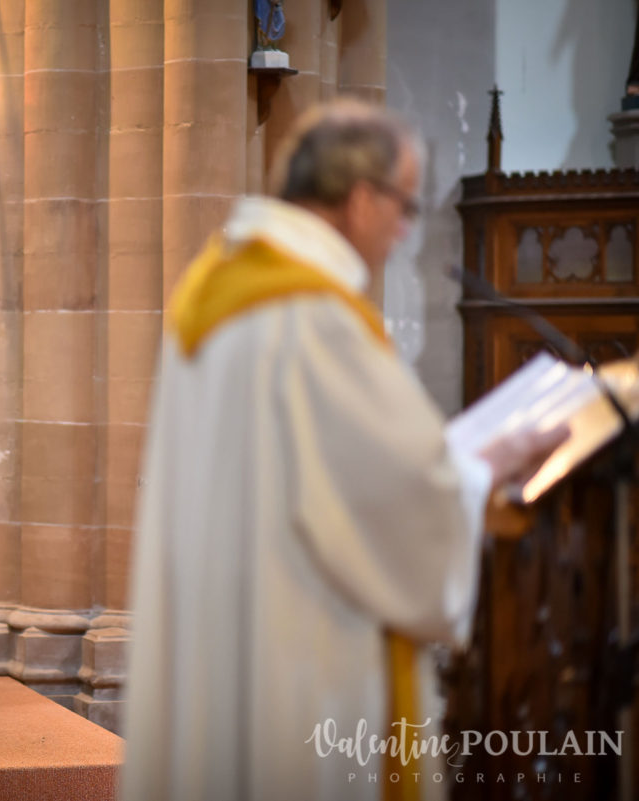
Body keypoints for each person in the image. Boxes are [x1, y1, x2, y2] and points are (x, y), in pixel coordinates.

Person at [118, 100, 567, 801]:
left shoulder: (216, 282)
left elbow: (338, 470)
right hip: (304, 657)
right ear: (361, 199)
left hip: (233, 631)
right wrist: (488, 465)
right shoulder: (313, 314)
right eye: (406, 205)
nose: (404, 230)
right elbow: (396, 502)